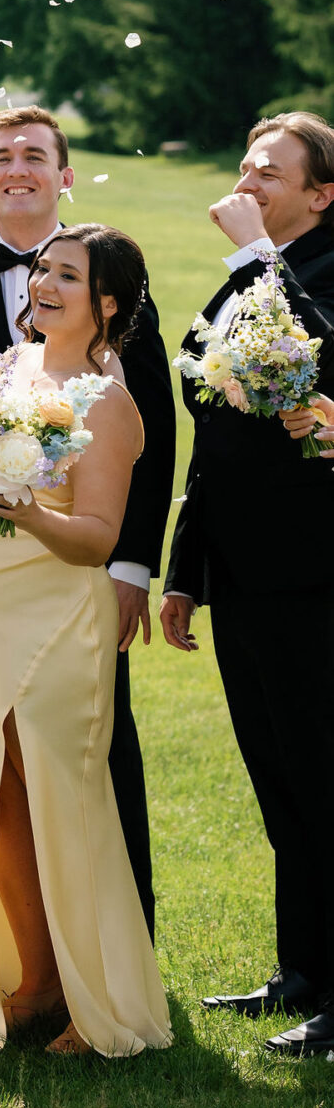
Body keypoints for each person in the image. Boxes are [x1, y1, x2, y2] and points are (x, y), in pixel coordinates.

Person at [0, 227, 170, 1057]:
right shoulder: (14, 365)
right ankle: (33, 982)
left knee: (62, 797)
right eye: (40, 270)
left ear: (106, 303)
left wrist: (25, 509)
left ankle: (102, 1003)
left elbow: (96, 537)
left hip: (53, 611)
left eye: (67, 275)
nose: (44, 284)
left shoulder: (107, 399)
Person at [160, 112, 334, 1060]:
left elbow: (312, 366)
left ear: (321, 195)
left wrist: (259, 259)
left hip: (318, 572)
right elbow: (212, 439)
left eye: (270, 172)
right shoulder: (248, 279)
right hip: (246, 572)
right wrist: (189, 571)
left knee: (325, 777)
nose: (247, 183)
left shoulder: (288, 272)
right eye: (243, 168)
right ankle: (304, 970)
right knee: (282, 781)